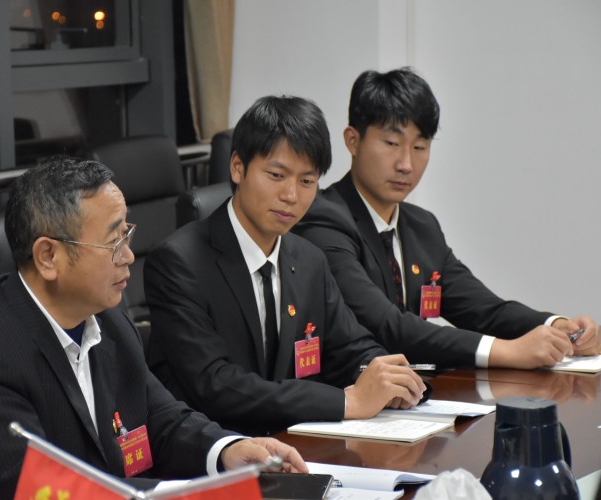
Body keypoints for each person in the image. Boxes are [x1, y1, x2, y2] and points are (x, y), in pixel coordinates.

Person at [0, 157, 306, 498]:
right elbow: (45, 490)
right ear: (48, 256)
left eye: (127, 233)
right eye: (113, 241)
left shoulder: (109, 318)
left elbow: (159, 417)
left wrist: (226, 451)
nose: (128, 256)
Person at [145, 96, 427, 436]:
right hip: (216, 450)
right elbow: (215, 384)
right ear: (238, 167)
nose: (291, 195)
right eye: (277, 175)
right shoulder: (178, 263)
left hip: (298, 445)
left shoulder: (309, 259)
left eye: (307, 181)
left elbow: (350, 347)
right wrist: (345, 402)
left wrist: (384, 378)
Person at [294, 68, 601, 369]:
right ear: (353, 140)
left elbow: (483, 310)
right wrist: (505, 351)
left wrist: (557, 327)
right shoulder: (323, 219)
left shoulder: (422, 226)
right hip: (346, 392)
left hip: (415, 392)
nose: (406, 164)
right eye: (391, 144)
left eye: (419, 147)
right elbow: (386, 325)